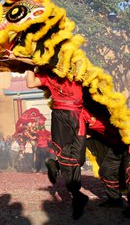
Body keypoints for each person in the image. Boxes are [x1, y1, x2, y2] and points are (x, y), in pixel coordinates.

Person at [25, 67, 89, 220]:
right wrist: (25, 66)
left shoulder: (77, 72)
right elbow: (30, 83)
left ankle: (57, 166)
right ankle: (77, 196)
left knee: (77, 160)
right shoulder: (50, 75)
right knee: (68, 158)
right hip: (61, 117)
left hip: (76, 116)